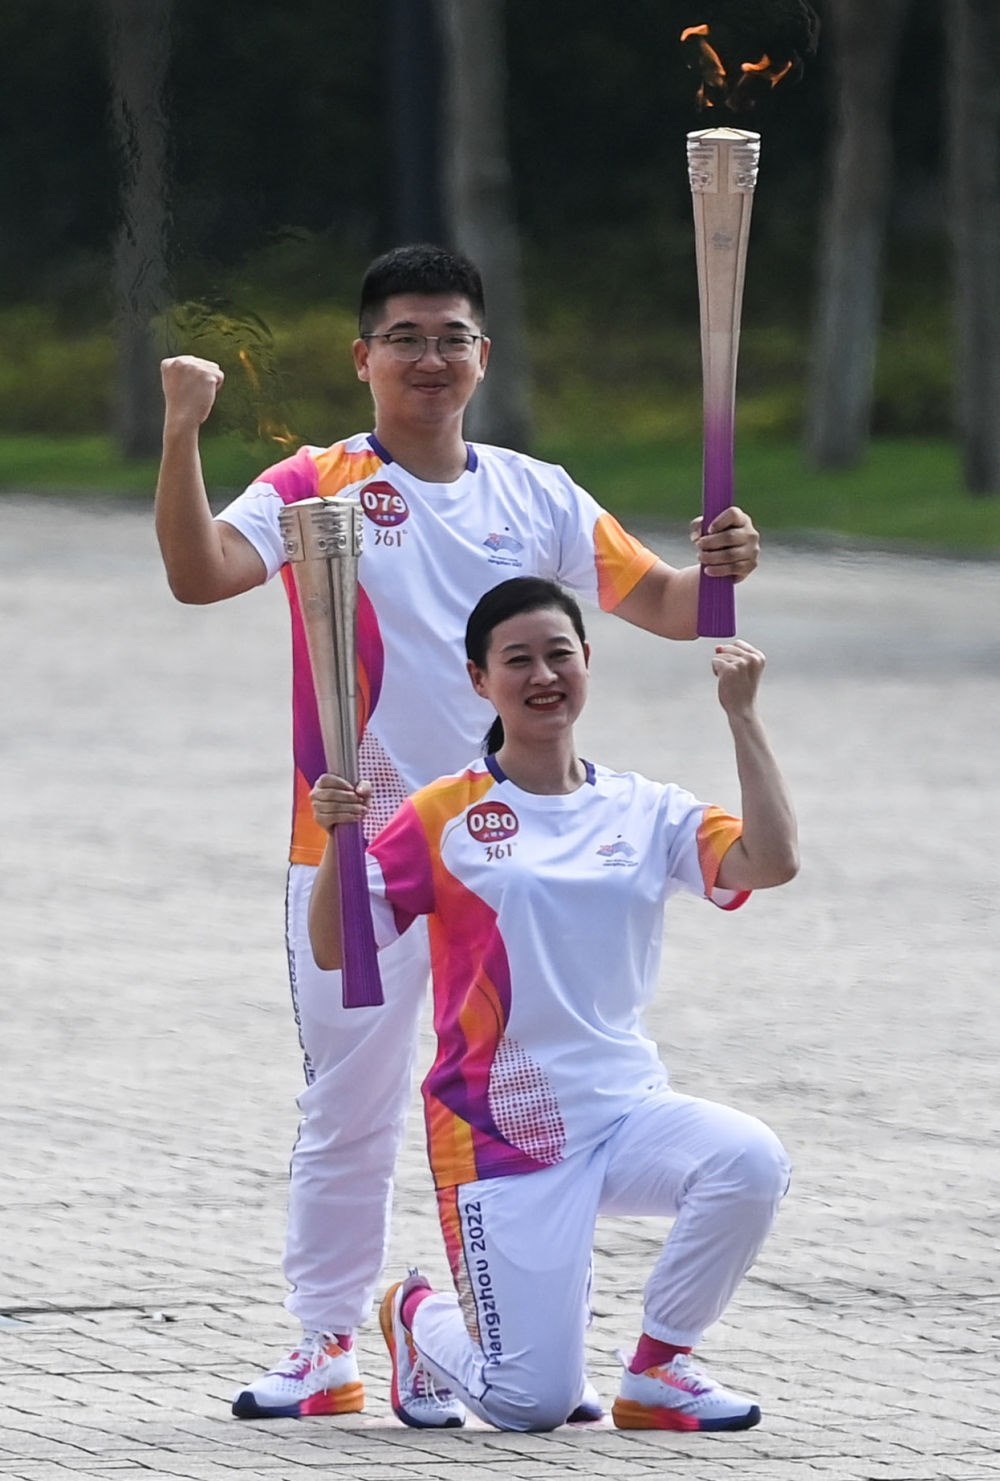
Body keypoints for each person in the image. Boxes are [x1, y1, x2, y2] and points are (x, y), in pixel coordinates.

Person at [154, 242, 762, 1425]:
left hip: (515, 861)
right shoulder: (316, 484)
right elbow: (199, 571)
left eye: (451, 337)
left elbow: (671, 604)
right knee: (351, 1100)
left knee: (535, 1097)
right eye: (405, 338)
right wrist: (182, 432)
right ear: (363, 357)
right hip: (362, 849)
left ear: (483, 355)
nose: (428, 358)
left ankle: (507, 1330)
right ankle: (327, 1340)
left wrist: (725, 566)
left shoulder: (538, 493)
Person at [308, 576, 798, 1433]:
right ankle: (416, 1314)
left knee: (749, 1160)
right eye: (518, 660)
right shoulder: (444, 814)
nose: (543, 675)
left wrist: (743, 716)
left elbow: (771, 859)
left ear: (587, 662)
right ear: (479, 679)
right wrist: (336, 840)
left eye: (559, 654)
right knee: (530, 1402)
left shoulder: (645, 809)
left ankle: (658, 1367)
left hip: (623, 1108)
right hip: (501, 1135)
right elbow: (335, 945)